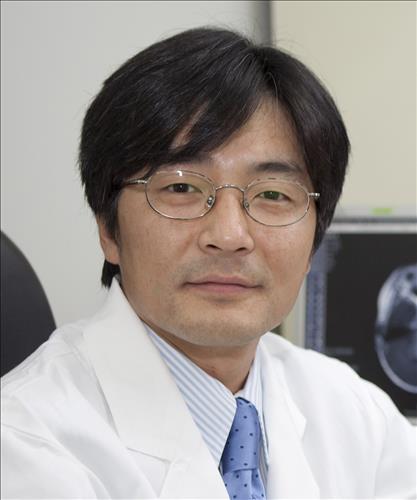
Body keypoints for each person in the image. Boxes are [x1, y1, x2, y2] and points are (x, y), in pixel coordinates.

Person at [1, 27, 415, 500]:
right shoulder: (25, 446)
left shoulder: (357, 415)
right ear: (108, 229)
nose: (230, 236)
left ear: (313, 241)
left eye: (273, 195)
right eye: (181, 188)